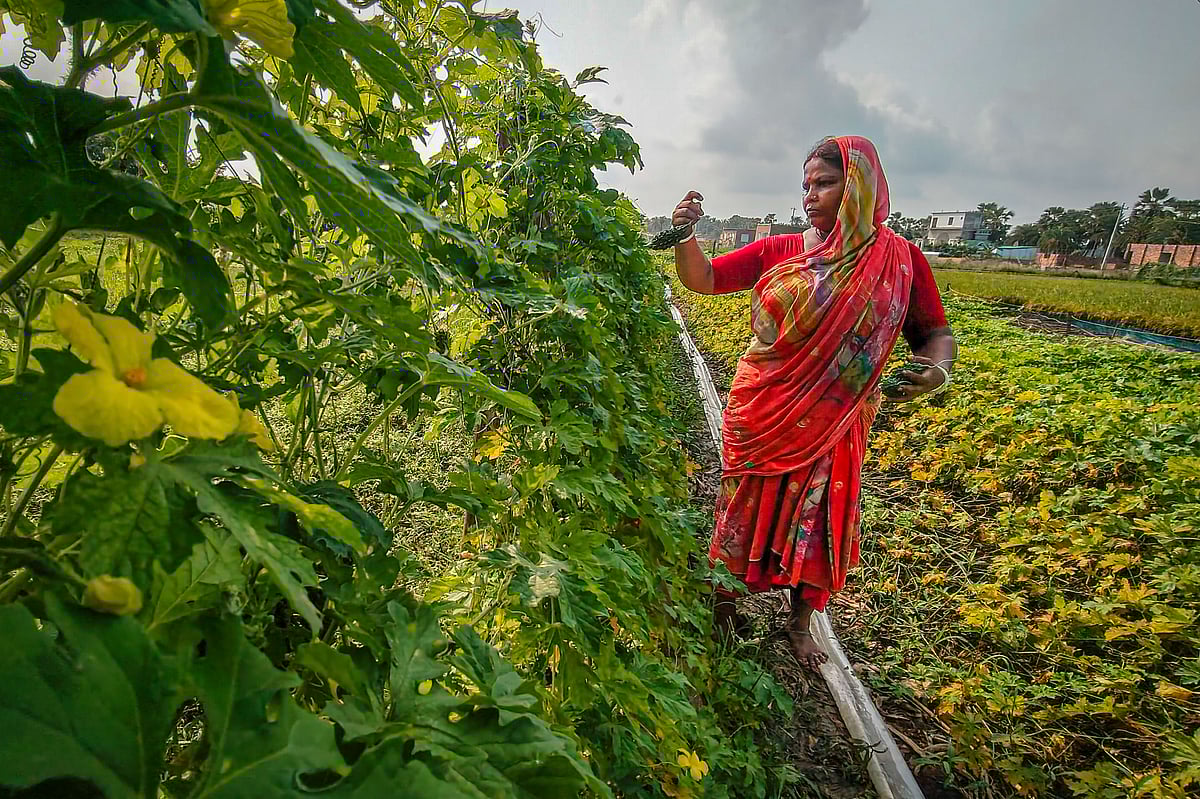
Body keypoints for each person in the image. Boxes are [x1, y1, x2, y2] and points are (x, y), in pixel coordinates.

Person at [671, 136, 957, 669]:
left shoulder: (899, 260)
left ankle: (801, 624)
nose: (811, 195)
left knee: (823, 513)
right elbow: (705, 279)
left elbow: (933, 333)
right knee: (745, 506)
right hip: (765, 409)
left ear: (860, 190)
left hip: (839, 420)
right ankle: (726, 604)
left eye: (825, 184)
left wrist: (934, 370)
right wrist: (685, 234)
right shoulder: (782, 250)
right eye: (806, 185)